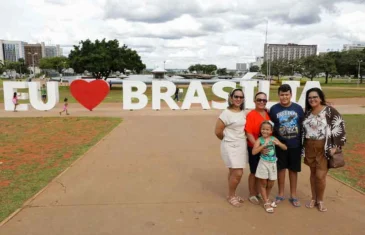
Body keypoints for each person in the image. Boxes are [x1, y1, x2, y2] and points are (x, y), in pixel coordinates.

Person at [302, 88, 346, 212]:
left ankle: (320, 200)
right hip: (310, 146)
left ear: (321, 98)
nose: (312, 99)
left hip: (324, 147)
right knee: (312, 174)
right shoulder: (307, 112)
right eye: (310, 97)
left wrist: (335, 146)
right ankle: (313, 198)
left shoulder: (329, 111)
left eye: (315, 97)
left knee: (320, 176)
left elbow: (340, 126)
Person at [269, 84, 304, 207]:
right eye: (282, 94)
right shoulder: (273, 109)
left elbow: (301, 125)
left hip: (295, 144)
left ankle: (293, 195)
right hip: (280, 145)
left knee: (293, 170)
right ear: (278, 95)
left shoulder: (298, 108)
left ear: (291, 95)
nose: (284, 97)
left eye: (287, 94)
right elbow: (271, 127)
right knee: (281, 169)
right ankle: (280, 193)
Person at [215, 88, 248, 207]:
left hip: (241, 145)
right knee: (238, 173)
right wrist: (227, 139)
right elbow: (218, 131)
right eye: (236, 97)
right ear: (231, 98)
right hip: (229, 145)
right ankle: (231, 195)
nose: (238, 99)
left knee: (233, 171)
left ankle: (232, 194)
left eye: (241, 97)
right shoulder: (226, 113)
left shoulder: (242, 112)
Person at [252, 121, 287, 213]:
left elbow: (285, 148)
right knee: (263, 183)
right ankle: (266, 202)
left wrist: (278, 144)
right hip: (263, 163)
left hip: (272, 164)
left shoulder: (273, 138)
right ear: (260, 130)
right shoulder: (259, 140)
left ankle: (265, 198)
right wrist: (263, 145)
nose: (265, 131)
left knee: (271, 183)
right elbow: (254, 152)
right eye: (263, 129)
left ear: (271, 131)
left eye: (267, 129)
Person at [245, 92, 270, 205]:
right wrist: (258, 147)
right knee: (254, 171)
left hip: (267, 148)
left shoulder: (267, 113)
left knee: (263, 171)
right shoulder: (251, 115)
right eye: (259, 100)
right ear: (254, 101)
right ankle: (252, 193)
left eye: (264, 100)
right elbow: (249, 133)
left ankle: (259, 191)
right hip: (254, 147)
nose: (261, 102)